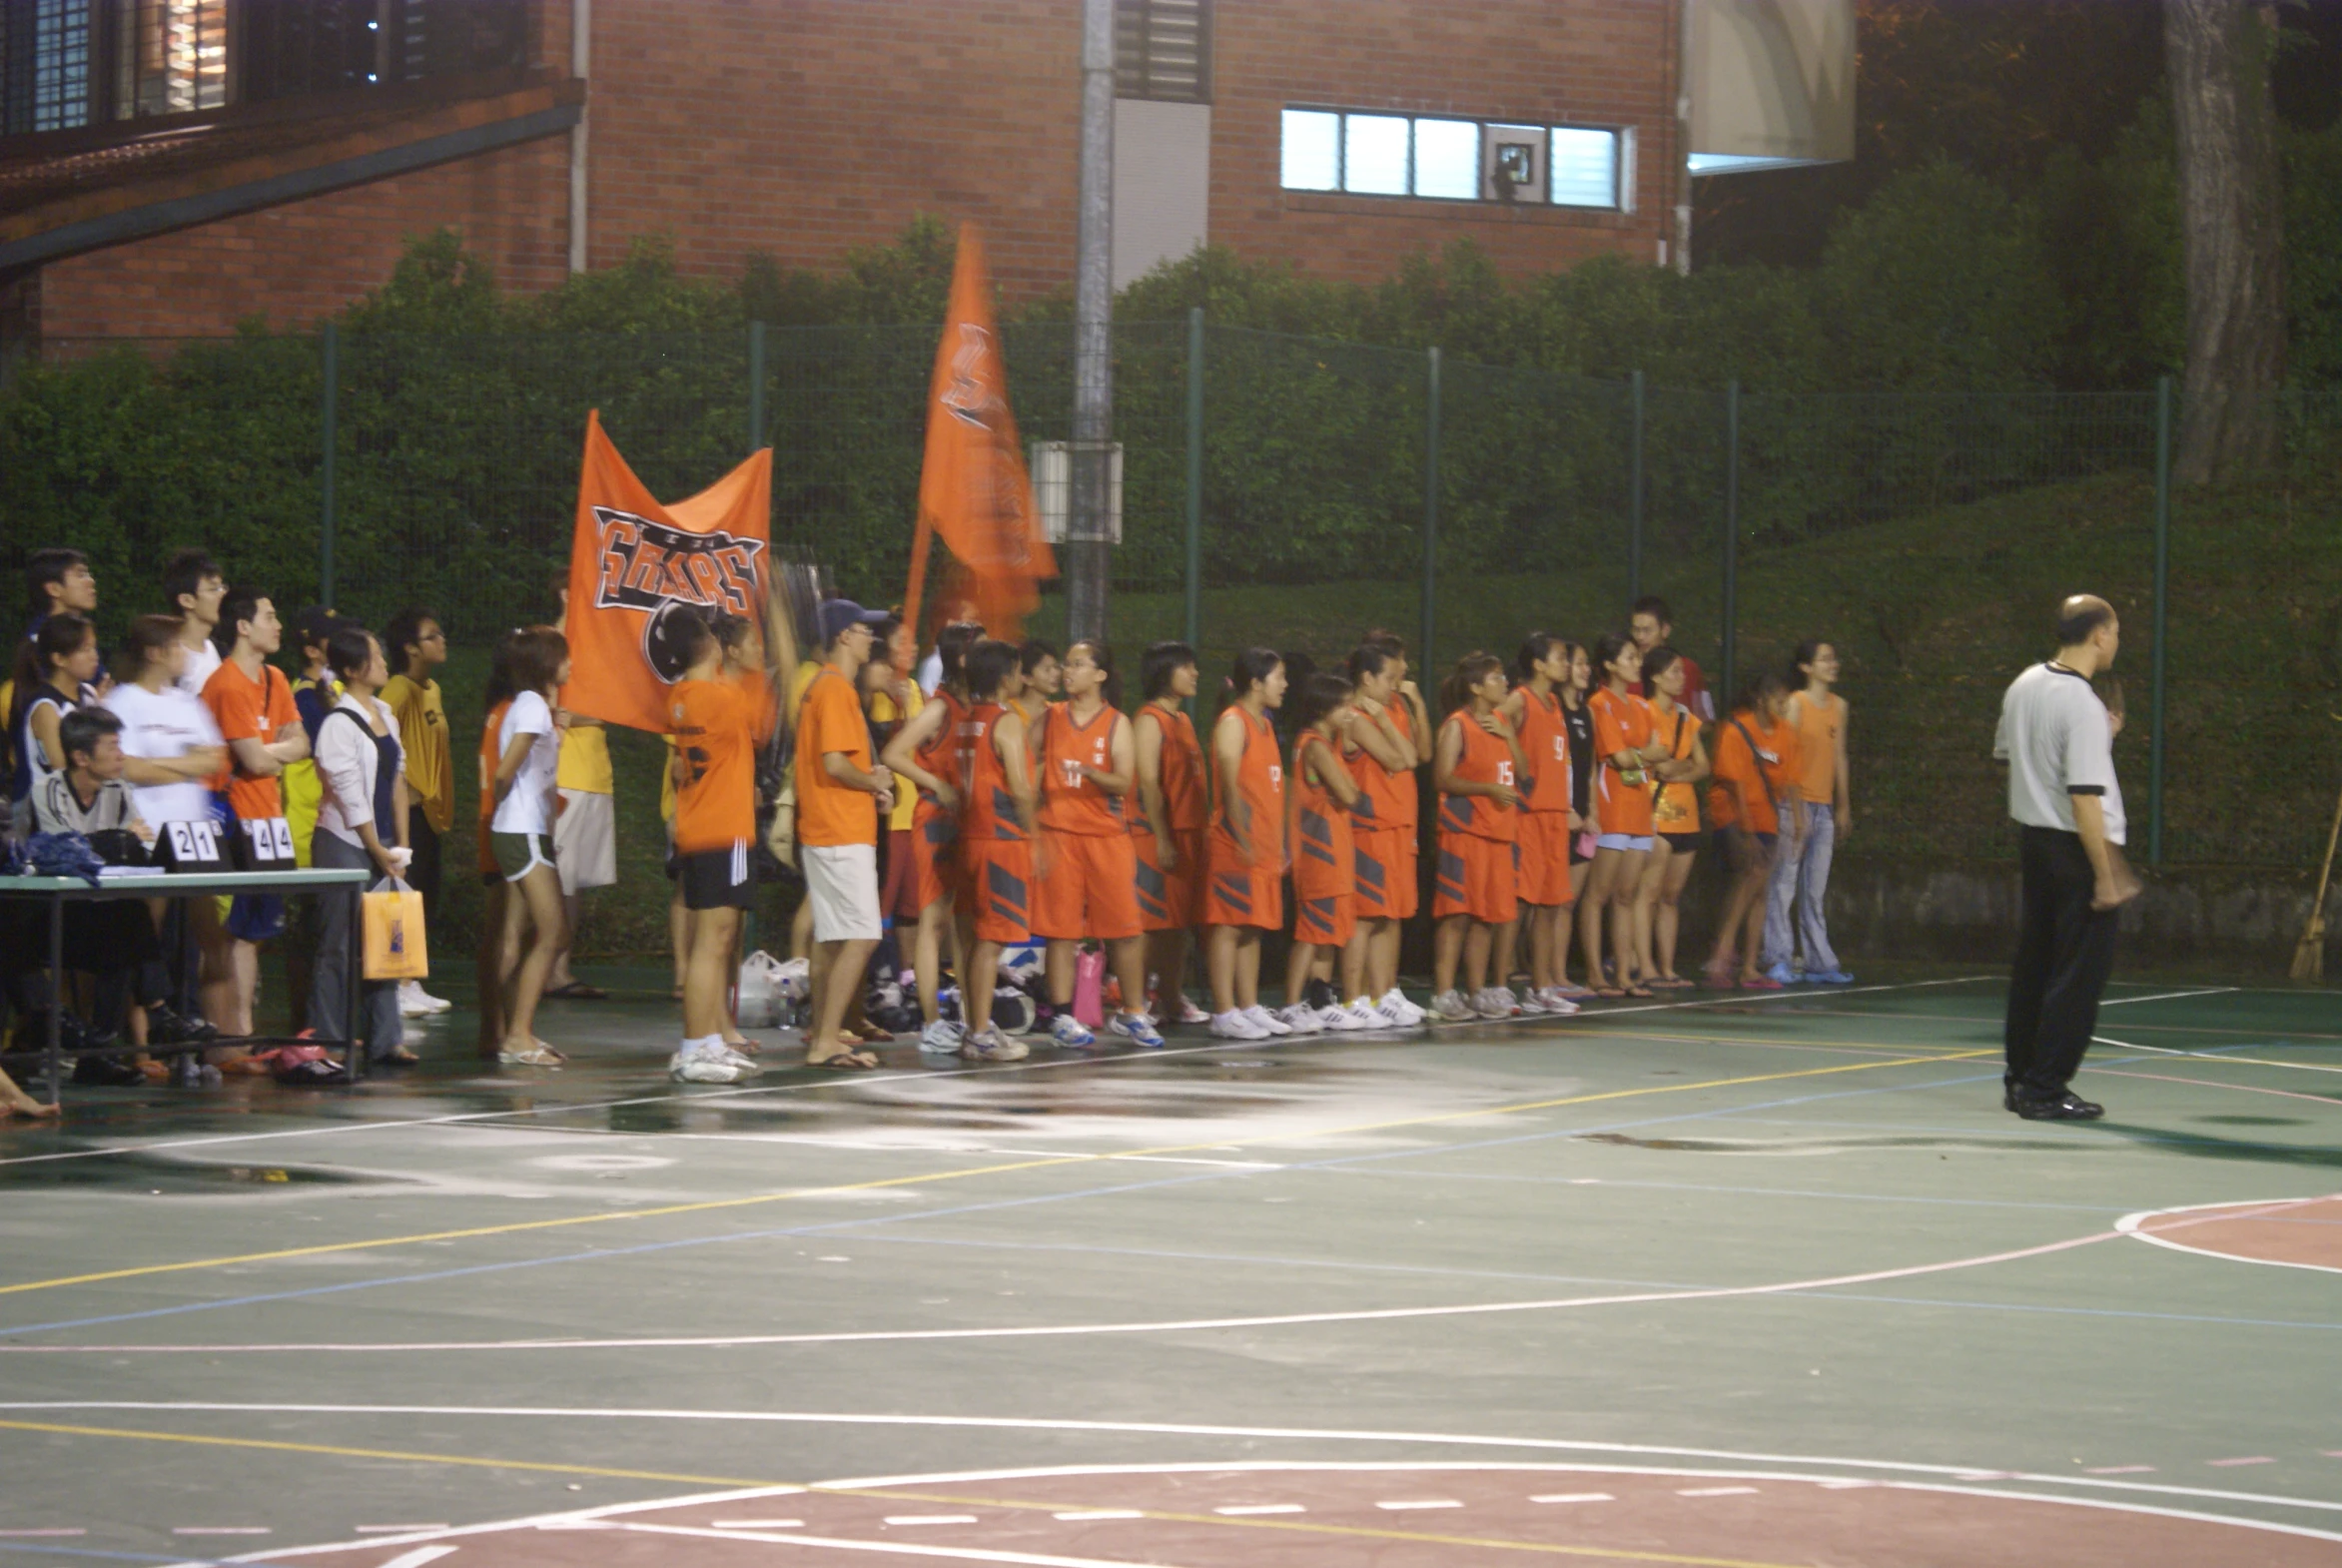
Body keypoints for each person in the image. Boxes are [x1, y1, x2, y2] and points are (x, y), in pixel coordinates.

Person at [1994, 594, 2137, 1121]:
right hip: (2076, 848)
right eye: (2116, 630)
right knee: (2077, 975)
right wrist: (2105, 872)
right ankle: (2047, 1087)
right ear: (2098, 634)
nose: (2117, 640)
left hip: (2035, 842)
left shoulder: (2024, 684)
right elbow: (2083, 795)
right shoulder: (2080, 702)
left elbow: (2019, 753)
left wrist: (2101, 737)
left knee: (2034, 966)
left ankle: (2021, 1078)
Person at [34, 707, 211, 1063]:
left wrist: (114, 842)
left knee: (125, 926)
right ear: (81, 757)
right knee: (127, 925)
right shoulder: (48, 789)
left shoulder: (118, 789)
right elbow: (62, 853)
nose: (121, 755)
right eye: (112, 747)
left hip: (97, 913)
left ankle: (101, 1050)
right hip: (45, 918)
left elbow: (135, 845)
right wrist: (115, 840)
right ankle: (158, 1015)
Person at [1029, 640, 1162, 1049]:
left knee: (1125, 928)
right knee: (1061, 932)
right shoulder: (1049, 718)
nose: (1068, 671)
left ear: (1100, 675)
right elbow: (1024, 766)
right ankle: (1063, 1017)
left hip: (1107, 837)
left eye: (1078, 664)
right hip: (1059, 834)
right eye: (1066, 664)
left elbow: (1124, 781)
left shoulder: (1116, 722)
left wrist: (1090, 773)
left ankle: (1133, 1012)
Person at [665, 611, 771, 1085]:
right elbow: (763, 712)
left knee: (718, 941)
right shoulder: (717, 700)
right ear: (709, 647)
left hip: (704, 824)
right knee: (712, 944)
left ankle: (707, 1041)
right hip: (721, 830)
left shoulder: (687, 695)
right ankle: (693, 1048)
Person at [306, 626, 418, 1066]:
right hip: (344, 842)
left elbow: (397, 781)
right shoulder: (338, 724)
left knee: (387, 940)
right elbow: (351, 797)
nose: (385, 662)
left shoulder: (386, 714)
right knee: (338, 942)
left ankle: (385, 1039)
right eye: (376, 656)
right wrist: (378, 851)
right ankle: (329, 1038)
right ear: (353, 669)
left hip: (383, 845)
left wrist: (402, 847)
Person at [200, 587, 309, 1038]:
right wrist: (276, 750)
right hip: (233, 816)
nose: (278, 624)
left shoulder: (276, 678)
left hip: (268, 817)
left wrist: (270, 750)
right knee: (238, 929)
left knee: (258, 928)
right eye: (270, 615)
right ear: (243, 627)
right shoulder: (226, 684)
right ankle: (234, 1030)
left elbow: (303, 743)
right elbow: (258, 761)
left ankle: (235, 1027)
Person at [794, 597, 897, 1071]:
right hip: (840, 830)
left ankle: (823, 1033)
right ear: (842, 636)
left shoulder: (824, 687)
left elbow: (838, 763)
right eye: (862, 629)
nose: (870, 638)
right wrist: (871, 780)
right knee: (861, 936)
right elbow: (835, 763)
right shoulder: (836, 689)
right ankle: (826, 1039)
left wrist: (868, 780)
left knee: (832, 940)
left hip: (827, 827)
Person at [881, 619, 985, 1055]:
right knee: (933, 922)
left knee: (966, 925)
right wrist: (936, 784)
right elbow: (893, 752)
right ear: (961, 657)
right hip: (937, 819)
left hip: (970, 822)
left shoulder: (977, 705)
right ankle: (930, 1022)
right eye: (979, 649)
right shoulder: (939, 707)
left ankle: (970, 1019)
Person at [1428, 652, 1528, 1021]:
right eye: (1496, 678)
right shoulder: (1457, 725)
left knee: (1487, 918)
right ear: (1475, 687)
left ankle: (1476, 991)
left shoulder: (1502, 721)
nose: (1504, 684)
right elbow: (1442, 778)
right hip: (1465, 831)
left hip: (1498, 833)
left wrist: (1509, 737)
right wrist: (1486, 788)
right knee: (1457, 915)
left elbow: (1523, 770)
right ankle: (1442, 994)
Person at [487, 626, 570, 1068]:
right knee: (554, 930)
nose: (570, 665)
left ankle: (509, 1031)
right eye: (564, 657)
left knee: (513, 937)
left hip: (520, 829)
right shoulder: (533, 706)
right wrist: (508, 803)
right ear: (546, 665)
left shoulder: (531, 705)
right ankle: (517, 1034)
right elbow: (505, 772)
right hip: (522, 831)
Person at [954, 637, 1038, 1063]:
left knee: (975, 941)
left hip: (969, 838)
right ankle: (980, 1033)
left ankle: (976, 1026)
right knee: (989, 943)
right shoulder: (1006, 721)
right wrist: (1035, 833)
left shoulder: (969, 718)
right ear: (1006, 676)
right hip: (1000, 840)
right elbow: (1020, 788)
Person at [1340, 640, 1425, 1028]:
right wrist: (1389, 723)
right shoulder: (1355, 716)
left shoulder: (1388, 709)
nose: (1395, 684)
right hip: (1368, 827)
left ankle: (1384, 993)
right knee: (1366, 917)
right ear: (1366, 678)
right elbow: (1401, 759)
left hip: (1396, 824)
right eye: (1388, 677)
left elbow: (1414, 756)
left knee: (1391, 915)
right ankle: (1352, 997)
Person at [1204, 647, 1289, 1040]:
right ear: (1256, 682)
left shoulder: (1265, 725)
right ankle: (1223, 1011)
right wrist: (1240, 835)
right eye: (1279, 677)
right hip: (1236, 843)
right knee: (1228, 925)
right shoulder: (1233, 722)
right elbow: (1229, 784)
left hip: (1264, 846)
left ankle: (1249, 1005)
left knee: (1252, 927)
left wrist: (1280, 842)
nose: (1285, 685)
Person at [1278, 671, 1369, 1034]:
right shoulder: (1315, 744)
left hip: (1332, 846)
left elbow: (1347, 790)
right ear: (1324, 708)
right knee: (1312, 932)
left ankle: (1319, 999)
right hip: (1320, 849)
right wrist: (1346, 786)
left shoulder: (1321, 742)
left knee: (1330, 930)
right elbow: (1350, 795)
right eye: (1344, 707)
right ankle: (1288, 1004)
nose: (1351, 713)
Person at [1499, 634, 1583, 1017]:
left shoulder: (1553, 703)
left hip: (1554, 815)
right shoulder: (1519, 700)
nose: (1566, 664)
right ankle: (1499, 986)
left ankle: (1542, 987)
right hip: (1527, 816)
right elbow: (1492, 734)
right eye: (1561, 657)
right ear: (1537, 664)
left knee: (1552, 904)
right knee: (1518, 904)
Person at [1764, 639, 1856, 987]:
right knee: (1783, 883)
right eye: (1825, 659)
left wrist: (1843, 804)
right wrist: (1796, 809)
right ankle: (1777, 957)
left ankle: (1819, 961)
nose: (1833, 664)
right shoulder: (1796, 705)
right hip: (1794, 805)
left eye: (1834, 658)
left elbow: (1840, 756)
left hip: (1825, 806)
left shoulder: (1839, 707)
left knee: (1814, 889)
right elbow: (1784, 759)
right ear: (1807, 668)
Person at [542, 580, 617, 1003]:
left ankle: (560, 967)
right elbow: (564, 710)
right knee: (559, 880)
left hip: (594, 774)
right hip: (568, 776)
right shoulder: (557, 641)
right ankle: (548, 968)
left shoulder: (594, 641)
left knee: (575, 885)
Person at [1583, 632, 1669, 999]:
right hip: (1612, 809)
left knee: (1626, 895)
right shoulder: (1599, 703)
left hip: (1639, 809)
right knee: (1597, 895)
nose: (1638, 664)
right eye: (1630, 657)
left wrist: (1636, 755)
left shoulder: (1642, 706)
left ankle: (1624, 974)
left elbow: (1660, 750)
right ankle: (1593, 974)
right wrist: (1640, 754)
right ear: (1609, 665)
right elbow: (1617, 759)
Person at [381, 607, 455, 1015]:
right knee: (403, 899)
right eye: (432, 636)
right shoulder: (398, 690)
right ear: (410, 647)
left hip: (431, 811)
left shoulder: (431, 690)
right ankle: (398, 983)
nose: (441, 641)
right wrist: (403, 799)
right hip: (409, 811)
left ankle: (410, 980)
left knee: (424, 899)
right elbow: (385, 749)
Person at [1131, 641, 1209, 1026]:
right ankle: (1136, 1002)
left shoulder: (1182, 720)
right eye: (1186, 668)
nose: (1194, 674)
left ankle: (1171, 998)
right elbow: (1147, 780)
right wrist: (1161, 836)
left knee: (1177, 925)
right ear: (1165, 672)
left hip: (1187, 833)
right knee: (1149, 922)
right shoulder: (1149, 719)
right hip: (1154, 835)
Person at [1704, 673, 1799, 990]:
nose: (1785, 707)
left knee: (1759, 889)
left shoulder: (1785, 732)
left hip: (1766, 815)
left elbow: (1788, 780)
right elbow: (1735, 785)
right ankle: (1722, 953)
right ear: (1761, 700)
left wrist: (1798, 817)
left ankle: (1748, 967)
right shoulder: (1736, 729)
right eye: (1779, 700)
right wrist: (1745, 831)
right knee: (1751, 876)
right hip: (1733, 813)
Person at [1634, 647, 1708, 990]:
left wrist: (1676, 771)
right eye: (1674, 671)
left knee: (1671, 897)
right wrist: (1677, 767)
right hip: (1654, 816)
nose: (1681, 677)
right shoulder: (1643, 713)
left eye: (1682, 671)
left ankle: (1667, 967)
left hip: (1686, 816)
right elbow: (1648, 763)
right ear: (1655, 676)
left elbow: (1702, 766)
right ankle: (1645, 966)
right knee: (1648, 893)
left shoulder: (1685, 718)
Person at [9, 612, 100, 838]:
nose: (94, 657)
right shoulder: (46, 707)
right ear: (58, 659)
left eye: (94, 648)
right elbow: (61, 768)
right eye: (84, 650)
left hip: (82, 805)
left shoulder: (89, 695)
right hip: (39, 814)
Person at [1550, 640, 1598, 998]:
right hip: (1556, 815)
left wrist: (1592, 810)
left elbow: (1590, 769)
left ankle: (1559, 973)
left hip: (1583, 817)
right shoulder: (1551, 710)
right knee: (1551, 899)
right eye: (1578, 662)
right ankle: (1543, 973)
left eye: (1586, 664)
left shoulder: (1587, 713)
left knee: (1568, 900)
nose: (1584, 669)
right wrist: (1562, 808)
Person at [1630, 596, 1714, 721]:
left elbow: (1706, 719)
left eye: (1647, 630)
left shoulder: (1689, 669)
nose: (1640, 637)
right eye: (1636, 630)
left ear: (1665, 630)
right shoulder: (1623, 669)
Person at [164, 550, 226, 700]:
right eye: (213, 589)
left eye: (223, 587)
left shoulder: (222, 651)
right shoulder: (168, 656)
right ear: (187, 600)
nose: (222, 594)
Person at [25, 546, 97, 638]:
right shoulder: (42, 640)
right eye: (80, 575)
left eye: (88, 574)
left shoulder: (79, 631)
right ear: (53, 589)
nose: (91, 581)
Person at [1011, 640, 1062, 732]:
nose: (1056, 673)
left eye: (1056, 667)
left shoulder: (1056, 712)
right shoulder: (1009, 710)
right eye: (1047, 669)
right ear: (1026, 678)